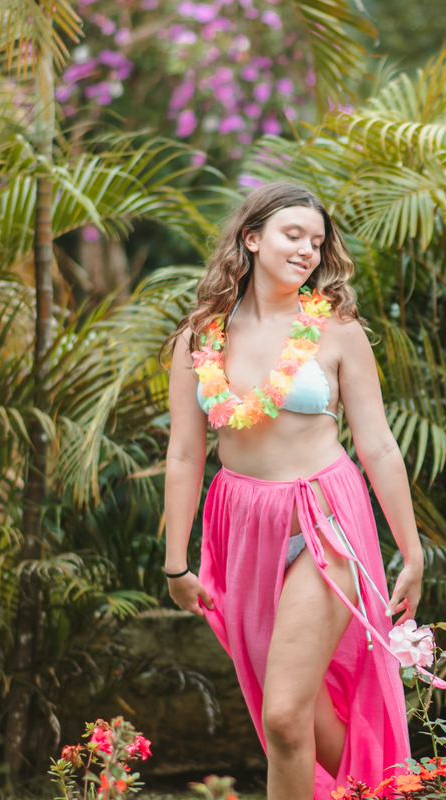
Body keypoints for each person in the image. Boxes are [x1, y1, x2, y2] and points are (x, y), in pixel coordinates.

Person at [161, 181, 422, 800]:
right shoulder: (200, 338)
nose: (308, 250)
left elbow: (379, 446)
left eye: (317, 241)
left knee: (281, 715)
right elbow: (185, 454)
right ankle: (399, 793)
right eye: (293, 235)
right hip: (242, 524)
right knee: (299, 716)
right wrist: (176, 563)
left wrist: (412, 554)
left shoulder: (337, 332)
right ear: (251, 239)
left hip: (322, 516)